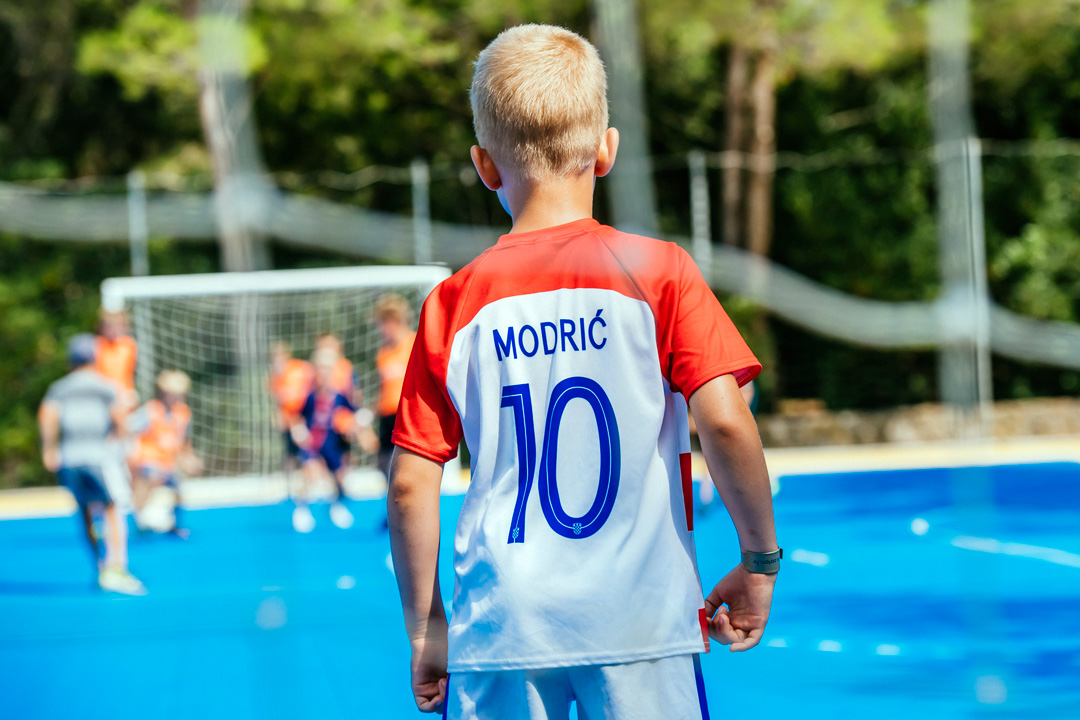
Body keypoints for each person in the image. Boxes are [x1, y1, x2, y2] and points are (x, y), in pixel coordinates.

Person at [387, 25, 779, 719]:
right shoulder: (660, 272)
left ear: (484, 165)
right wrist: (759, 561)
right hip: (641, 617)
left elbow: (414, 483)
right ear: (605, 151)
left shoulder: (453, 304)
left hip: (501, 622)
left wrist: (427, 630)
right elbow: (722, 416)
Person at [38, 334, 146, 595]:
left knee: (85, 510)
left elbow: (47, 417)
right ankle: (117, 568)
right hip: (100, 456)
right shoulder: (105, 386)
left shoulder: (60, 387)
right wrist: (124, 446)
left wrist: (49, 449)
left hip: (71, 456)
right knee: (112, 508)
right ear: (95, 357)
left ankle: (100, 567)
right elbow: (119, 418)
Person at [289, 348, 357, 533]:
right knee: (309, 474)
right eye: (321, 369)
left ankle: (336, 506)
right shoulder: (310, 396)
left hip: (333, 443)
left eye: (328, 369)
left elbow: (352, 415)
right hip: (313, 443)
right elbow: (297, 417)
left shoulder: (340, 396)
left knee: (339, 478)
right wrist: (298, 431)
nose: (324, 374)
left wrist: (352, 429)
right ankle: (301, 509)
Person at [129, 370, 202, 538]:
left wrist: (190, 460)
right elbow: (130, 430)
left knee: (178, 489)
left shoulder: (183, 413)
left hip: (168, 462)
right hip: (148, 459)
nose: (177, 398)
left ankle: (175, 525)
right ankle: (139, 520)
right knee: (150, 478)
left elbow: (185, 444)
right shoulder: (151, 410)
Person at [373, 294, 417, 479]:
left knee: (406, 465)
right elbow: (385, 388)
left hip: (407, 411)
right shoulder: (383, 352)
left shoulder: (413, 343)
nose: (381, 330)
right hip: (387, 415)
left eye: (383, 324)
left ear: (395, 321)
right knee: (383, 463)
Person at [269, 341, 316, 481]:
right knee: (290, 454)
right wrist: (277, 416)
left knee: (307, 454)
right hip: (289, 422)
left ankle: (309, 485)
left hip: (304, 418)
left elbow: (313, 389)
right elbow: (278, 402)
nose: (277, 361)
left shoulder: (300, 369)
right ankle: (289, 488)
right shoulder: (275, 378)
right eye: (274, 358)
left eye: (279, 357)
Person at [95, 309, 139, 408]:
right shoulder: (97, 345)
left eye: (117, 326)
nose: (113, 329)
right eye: (109, 326)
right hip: (102, 391)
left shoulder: (128, 345)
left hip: (124, 392)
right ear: (102, 327)